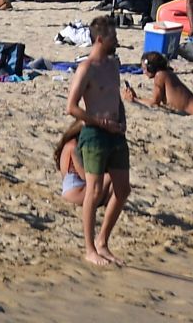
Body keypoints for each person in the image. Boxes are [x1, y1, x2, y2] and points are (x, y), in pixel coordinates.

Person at [64, 15, 131, 266]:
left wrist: (122, 120)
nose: (117, 40)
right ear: (101, 39)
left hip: (116, 133)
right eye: (113, 36)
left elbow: (116, 98)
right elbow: (72, 107)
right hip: (94, 133)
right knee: (93, 190)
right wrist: (98, 122)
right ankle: (89, 248)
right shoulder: (86, 68)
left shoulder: (113, 65)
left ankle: (103, 241)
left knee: (123, 189)